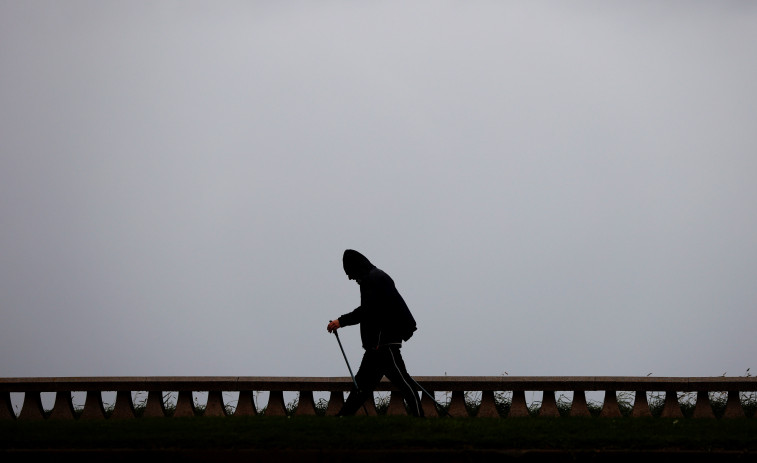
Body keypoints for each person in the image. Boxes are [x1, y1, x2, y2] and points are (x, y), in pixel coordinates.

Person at [326, 249, 424, 417]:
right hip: (378, 345)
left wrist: (341, 321)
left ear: (356, 268)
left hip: (383, 344)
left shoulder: (373, 280)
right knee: (362, 386)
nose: (350, 278)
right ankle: (343, 417)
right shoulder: (375, 277)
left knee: (403, 383)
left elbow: (368, 311)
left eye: (350, 273)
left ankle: (420, 418)